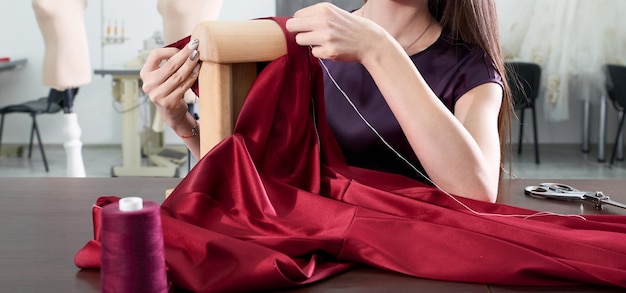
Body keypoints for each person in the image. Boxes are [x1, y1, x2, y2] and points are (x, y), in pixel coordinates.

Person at [140, 0, 511, 203]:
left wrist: (378, 49)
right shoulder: (304, 42)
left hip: (416, 256)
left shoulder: (471, 68)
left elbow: (476, 192)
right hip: (316, 251)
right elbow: (253, 173)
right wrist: (184, 125)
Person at [32, 0, 91, 177]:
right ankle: (74, 172)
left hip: (80, 60)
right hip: (59, 64)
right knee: (70, 125)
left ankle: (76, 170)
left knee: (73, 122)